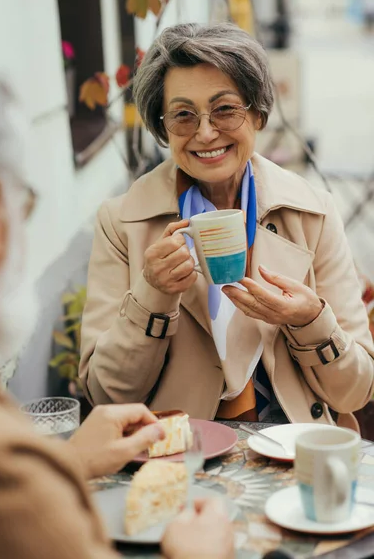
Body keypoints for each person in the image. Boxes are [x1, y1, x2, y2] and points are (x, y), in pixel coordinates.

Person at [0, 59, 234, 559]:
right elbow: (105, 386)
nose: (205, 133)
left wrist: (68, 460)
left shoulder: (309, 205)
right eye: (22, 202)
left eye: (225, 109)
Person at [80, 22, 374, 429]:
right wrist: (153, 295)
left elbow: (356, 391)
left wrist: (310, 321)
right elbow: (106, 396)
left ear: (257, 114)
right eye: (183, 115)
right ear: (163, 127)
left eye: (225, 109)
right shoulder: (122, 223)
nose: (204, 133)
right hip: (180, 458)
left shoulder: (314, 213)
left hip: (294, 452)